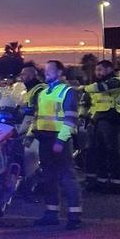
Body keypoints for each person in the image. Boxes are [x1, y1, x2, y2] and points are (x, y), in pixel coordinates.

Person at [30, 59, 82, 228]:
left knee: (67, 177)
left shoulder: (67, 91)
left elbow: (70, 119)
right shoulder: (44, 93)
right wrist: (30, 135)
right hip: (44, 139)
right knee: (49, 177)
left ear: (60, 72)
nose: (46, 73)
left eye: (50, 70)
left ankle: (74, 216)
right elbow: (37, 117)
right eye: (45, 70)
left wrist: (61, 140)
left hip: (60, 140)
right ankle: (51, 213)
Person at [84, 60, 120, 192]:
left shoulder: (116, 82)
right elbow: (91, 102)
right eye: (97, 70)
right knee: (99, 152)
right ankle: (101, 181)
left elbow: (100, 88)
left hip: (112, 119)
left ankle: (115, 184)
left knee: (113, 152)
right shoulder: (99, 84)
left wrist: (81, 88)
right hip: (98, 120)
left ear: (109, 69)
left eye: (100, 70)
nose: (98, 73)